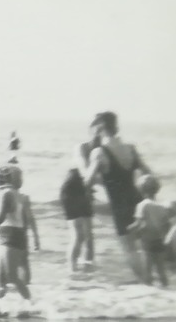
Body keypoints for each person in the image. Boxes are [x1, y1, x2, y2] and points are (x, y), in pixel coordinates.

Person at [83, 111, 149, 280]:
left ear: (100, 128)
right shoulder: (131, 149)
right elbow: (149, 175)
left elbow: (87, 182)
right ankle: (154, 282)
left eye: (94, 127)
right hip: (138, 200)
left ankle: (146, 284)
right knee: (144, 246)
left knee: (130, 249)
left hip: (120, 205)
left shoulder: (99, 153)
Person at [0, 163, 39, 299]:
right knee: (0, 276)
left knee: (11, 276)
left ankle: (31, 304)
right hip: (11, 238)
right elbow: (29, 219)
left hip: (10, 238)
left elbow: (0, 217)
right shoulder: (20, 195)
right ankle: (0, 305)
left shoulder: (6, 194)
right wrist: (35, 238)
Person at [128, 174, 172, 287]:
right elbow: (166, 226)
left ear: (141, 190)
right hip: (159, 241)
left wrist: (129, 230)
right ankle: (166, 288)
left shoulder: (142, 206)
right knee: (161, 271)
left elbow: (139, 224)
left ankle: (149, 292)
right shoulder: (162, 207)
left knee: (147, 272)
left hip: (147, 242)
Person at [60, 138, 97, 271]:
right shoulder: (81, 147)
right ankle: (72, 269)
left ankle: (88, 268)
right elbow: (84, 170)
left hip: (85, 191)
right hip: (71, 190)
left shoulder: (102, 151)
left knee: (89, 235)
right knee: (79, 234)